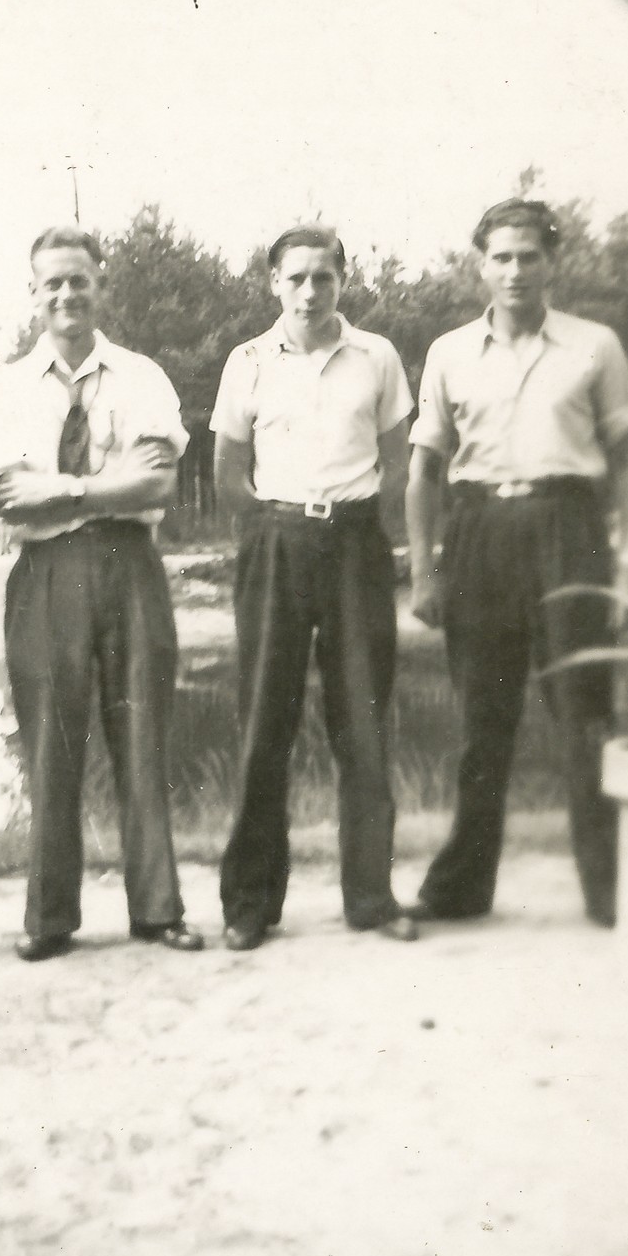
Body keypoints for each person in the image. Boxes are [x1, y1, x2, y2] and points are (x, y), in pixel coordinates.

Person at [405, 197, 628, 927]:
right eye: (501, 258)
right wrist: (424, 571)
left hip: (568, 528)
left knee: (585, 712)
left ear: (551, 262)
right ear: (480, 266)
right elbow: (423, 471)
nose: (515, 271)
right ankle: (461, 887)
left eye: (529, 257)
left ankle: (608, 889)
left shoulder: (594, 346)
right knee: (482, 721)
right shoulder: (449, 352)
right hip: (478, 531)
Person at [0, 225, 202, 960]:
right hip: (45, 573)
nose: (67, 293)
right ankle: (49, 919)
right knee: (50, 747)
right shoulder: (8, 386)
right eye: (53, 282)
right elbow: (9, 497)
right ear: (33, 293)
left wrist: (64, 490)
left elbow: (157, 483)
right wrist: (106, 484)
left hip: (130, 566)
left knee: (142, 739)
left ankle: (157, 910)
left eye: (79, 279)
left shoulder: (142, 377)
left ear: (100, 285)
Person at [213, 223, 417, 951]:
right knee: (263, 723)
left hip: (356, 543)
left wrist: (373, 534)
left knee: (363, 722)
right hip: (277, 540)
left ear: (342, 280)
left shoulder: (377, 357)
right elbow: (227, 472)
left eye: (322, 276)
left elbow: (397, 462)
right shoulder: (246, 361)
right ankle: (249, 904)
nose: (309, 291)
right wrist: (274, 527)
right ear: (274, 282)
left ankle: (370, 898)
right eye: (295, 277)